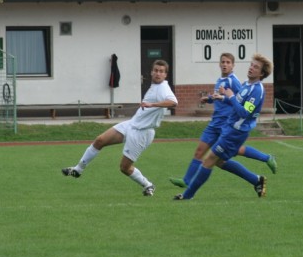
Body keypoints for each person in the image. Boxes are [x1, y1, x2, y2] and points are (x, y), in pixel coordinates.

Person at [62, 59, 178, 196]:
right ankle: (78, 169)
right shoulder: (155, 86)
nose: (158, 73)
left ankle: (148, 185)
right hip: (132, 124)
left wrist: (152, 105)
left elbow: (173, 102)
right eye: (156, 70)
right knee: (100, 140)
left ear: (165, 75)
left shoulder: (163, 88)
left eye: (161, 71)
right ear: (152, 72)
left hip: (142, 133)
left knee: (124, 168)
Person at [169, 53, 276, 189]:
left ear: (233, 65)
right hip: (215, 123)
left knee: (226, 156)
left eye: (228, 62)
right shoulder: (220, 80)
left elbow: (239, 101)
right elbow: (223, 97)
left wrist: (230, 100)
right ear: (219, 64)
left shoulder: (234, 81)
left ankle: (264, 162)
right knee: (204, 153)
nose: (225, 65)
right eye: (223, 62)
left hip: (227, 124)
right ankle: (187, 181)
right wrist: (210, 99)